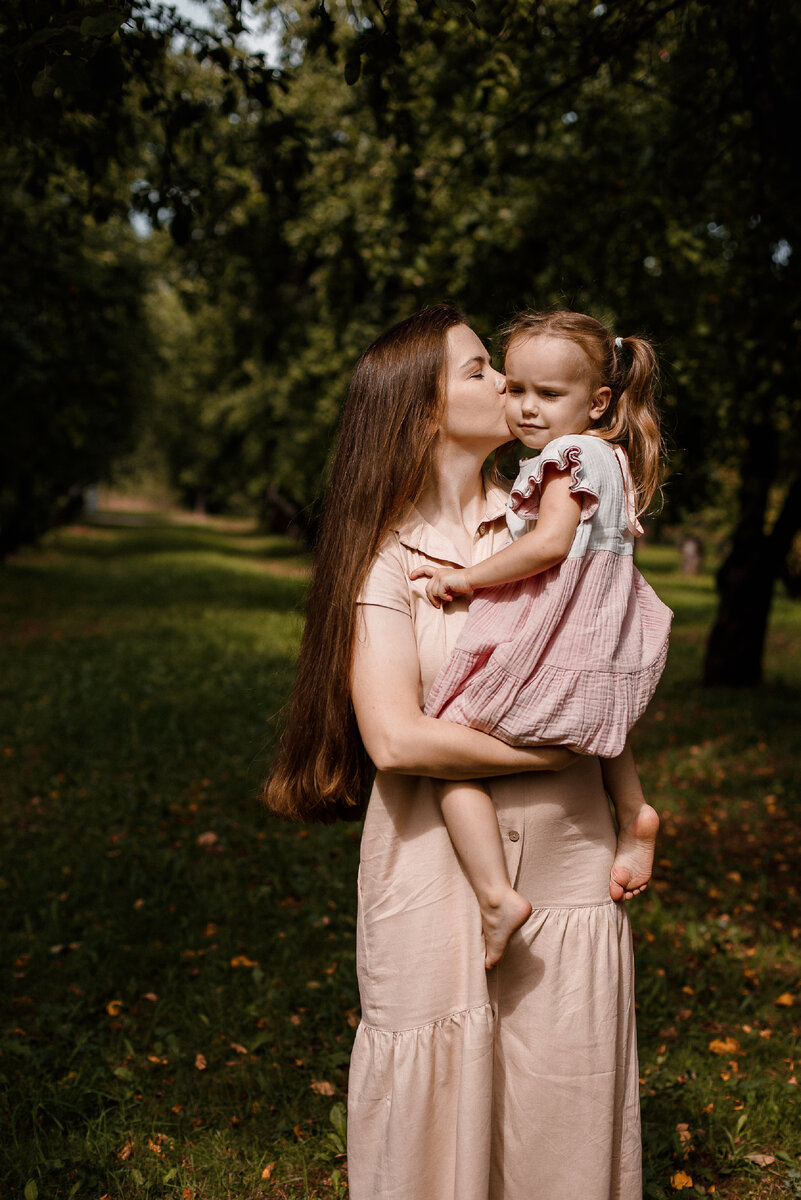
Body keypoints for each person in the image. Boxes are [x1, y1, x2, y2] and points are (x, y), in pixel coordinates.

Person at [265, 303, 646, 1200]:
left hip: (567, 873)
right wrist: (549, 758)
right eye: (482, 372)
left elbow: (605, 659)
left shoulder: (553, 513)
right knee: (433, 1135)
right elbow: (395, 740)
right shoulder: (388, 560)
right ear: (421, 409)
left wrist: (619, 792)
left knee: (561, 1108)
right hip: (435, 890)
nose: (508, 391)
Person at [412, 310, 672, 967]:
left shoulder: (567, 455)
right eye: (517, 389)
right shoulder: (610, 459)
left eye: (548, 395)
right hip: (600, 644)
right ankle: (632, 807)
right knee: (603, 732)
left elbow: (550, 546)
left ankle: (496, 895)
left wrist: (468, 578)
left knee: (451, 747)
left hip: (561, 639)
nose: (526, 408)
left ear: (598, 402)